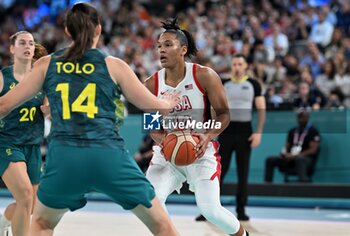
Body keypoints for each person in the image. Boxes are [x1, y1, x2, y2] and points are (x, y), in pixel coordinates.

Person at [0, 3, 181, 236]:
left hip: (65, 157)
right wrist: (168, 104)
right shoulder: (114, 65)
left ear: (67, 31)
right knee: (161, 225)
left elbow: (4, 104)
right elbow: (150, 105)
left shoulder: (46, 64)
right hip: (109, 155)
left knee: (42, 223)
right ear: (99, 29)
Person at [145, 19, 249, 236]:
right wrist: (164, 142)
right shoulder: (151, 83)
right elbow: (151, 124)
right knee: (149, 201)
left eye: (167, 45)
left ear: (183, 50)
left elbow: (224, 114)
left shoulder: (204, 75)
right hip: (168, 153)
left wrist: (208, 136)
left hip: (200, 150)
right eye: (159, 46)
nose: (161, 50)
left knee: (211, 210)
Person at [200, 53, 265, 222]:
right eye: (234, 64)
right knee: (219, 172)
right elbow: (215, 108)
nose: (237, 67)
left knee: (243, 173)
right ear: (232, 66)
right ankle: (210, 209)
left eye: (240, 64)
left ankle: (241, 209)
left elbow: (261, 109)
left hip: (245, 132)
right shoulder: (224, 84)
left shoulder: (253, 84)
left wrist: (258, 132)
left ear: (245, 66)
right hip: (226, 132)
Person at [0, 32, 47, 236]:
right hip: (7, 143)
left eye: (30, 43)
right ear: (12, 49)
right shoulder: (3, 77)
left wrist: (50, 109)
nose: (27, 46)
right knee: (25, 195)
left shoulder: (41, 79)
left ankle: (3, 221)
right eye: (22, 43)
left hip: (32, 144)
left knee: (32, 204)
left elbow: (49, 105)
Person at [264, 110, 321, 183]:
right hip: (290, 157)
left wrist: (296, 156)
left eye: (303, 117)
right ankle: (268, 184)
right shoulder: (292, 131)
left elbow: (313, 150)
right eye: (299, 117)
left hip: (305, 159)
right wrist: (284, 154)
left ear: (307, 117)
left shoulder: (313, 131)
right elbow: (286, 146)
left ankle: (303, 183)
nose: (300, 119)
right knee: (270, 160)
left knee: (300, 160)